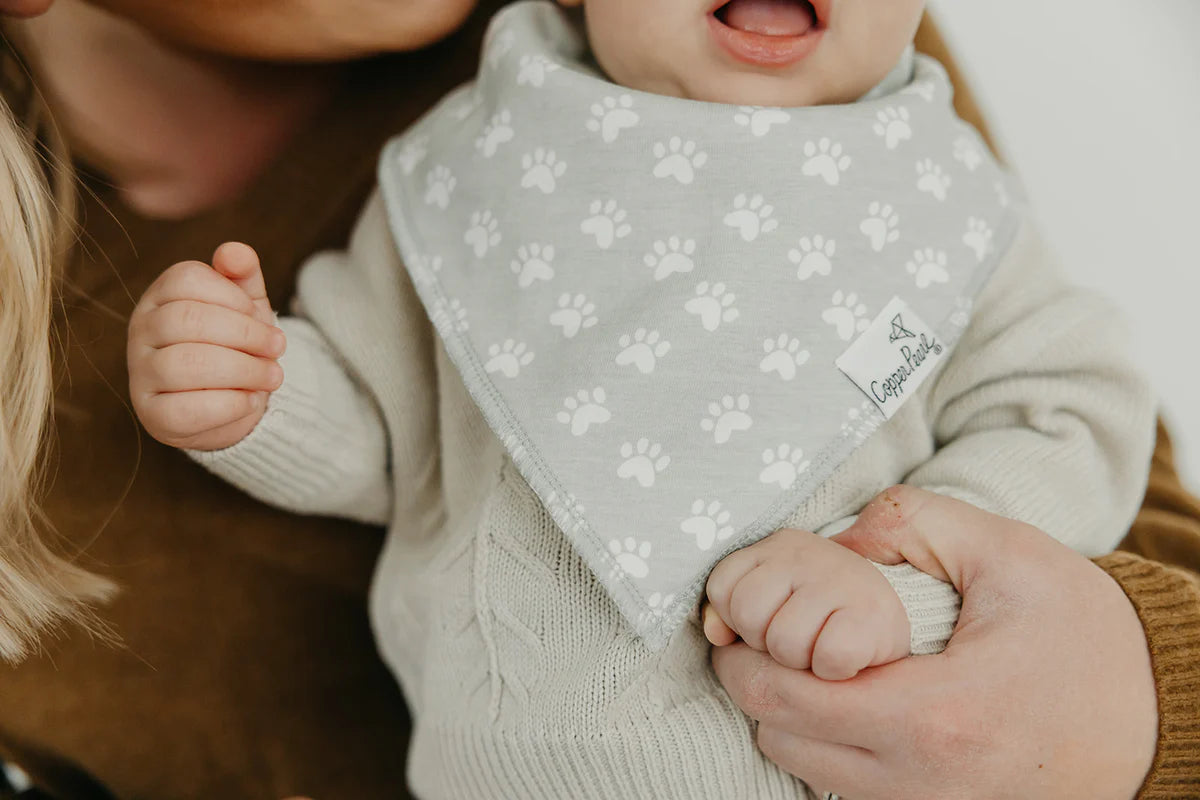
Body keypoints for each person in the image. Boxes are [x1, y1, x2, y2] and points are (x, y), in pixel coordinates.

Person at [0, 0, 1196, 798]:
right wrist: (260, 397)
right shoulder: (474, 168)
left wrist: (914, 565)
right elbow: (388, 429)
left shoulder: (890, 140)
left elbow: (1067, 413)